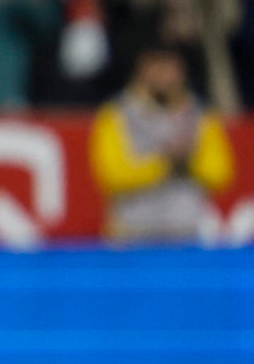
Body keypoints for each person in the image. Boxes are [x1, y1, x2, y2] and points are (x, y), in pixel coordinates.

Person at [89, 45, 236, 242]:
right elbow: (111, 175)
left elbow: (219, 173)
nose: (164, 75)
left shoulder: (201, 115)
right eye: (157, 66)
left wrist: (189, 160)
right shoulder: (116, 114)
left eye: (170, 67)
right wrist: (164, 163)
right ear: (141, 69)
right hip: (132, 233)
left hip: (187, 231)